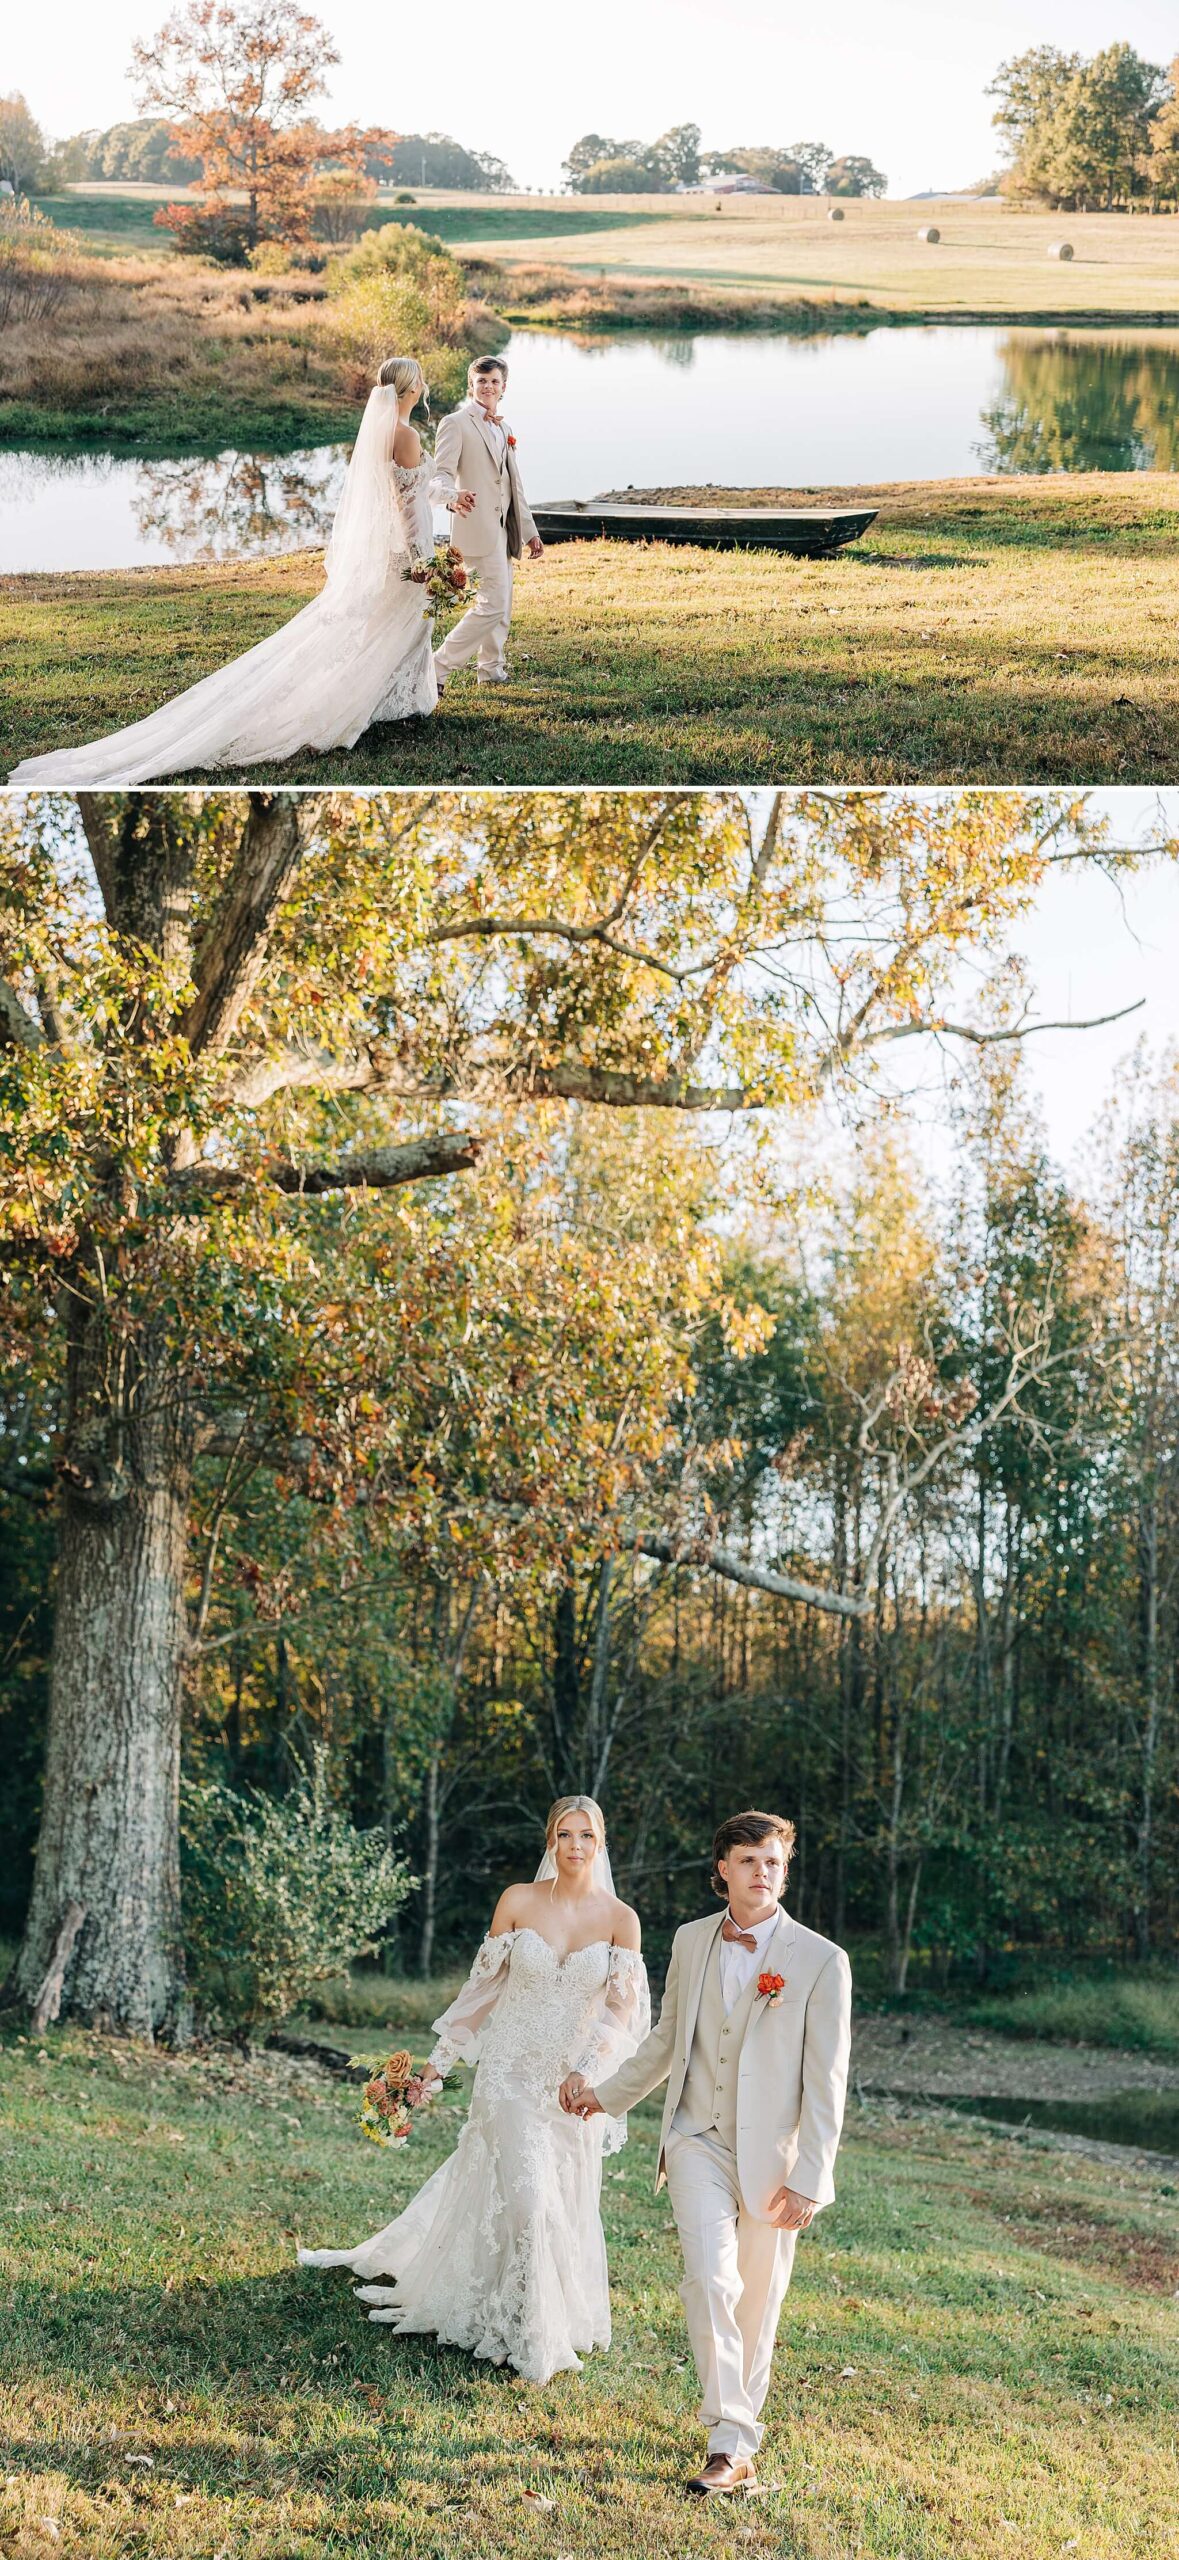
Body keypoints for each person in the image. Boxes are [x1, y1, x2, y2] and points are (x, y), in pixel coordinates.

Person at [298, 1795, 649, 2385]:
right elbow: (479, 1995)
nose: (575, 1846)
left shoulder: (622, 1920)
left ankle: (514, 2303)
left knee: (548, 2199)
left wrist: (586, 2069)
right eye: (564, 1834)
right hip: (508, 2074)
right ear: (549, 1841)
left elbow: (621, 2015)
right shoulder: (517, 1900)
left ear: (601, 1842)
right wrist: (433, 2068)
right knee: (531, 2201)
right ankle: (531, 2337)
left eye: (586, 1835)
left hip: (569, 2089)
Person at [561, 1807, 852, 2497]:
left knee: (758, 2299)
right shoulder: (691, 1940)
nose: (762, 1873)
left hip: (774, 2159)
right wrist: (607, 2095)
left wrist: (812, 2174)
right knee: (712, 2283)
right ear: (722, 1868)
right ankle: (728, 2438)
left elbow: (826, 2079)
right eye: (748, 1860)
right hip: (693, 2140)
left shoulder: (820, 1960)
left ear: (785, 1870)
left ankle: (736, 2443)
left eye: (773, 1862)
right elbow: (666, 2040)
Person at [9, 357, 440, 785]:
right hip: (404, 553)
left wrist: (446, 503)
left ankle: (394, 701)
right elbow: (406, 508)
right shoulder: (405, 435)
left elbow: (408, 495)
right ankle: (384, 703)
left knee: (383, 628)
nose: (424, 382)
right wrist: (423, 558)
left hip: (389, 551)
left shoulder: (381, 432)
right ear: (412, 388)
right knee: (399, 623)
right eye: (420, 377)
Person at [430, 355, 543, 690]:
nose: (488, 387)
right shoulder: (455, 423)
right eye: (481, 381)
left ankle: (491, 669)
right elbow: (440, 476)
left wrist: (530, 531)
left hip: (504, 530)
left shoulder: (505, 429)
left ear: (503, 387)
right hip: (475, 527)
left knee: (502, 604)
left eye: (494, 381)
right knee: (492, 604)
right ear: (471, 385)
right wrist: (453, 496)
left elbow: (514, 486)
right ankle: (436, 669)